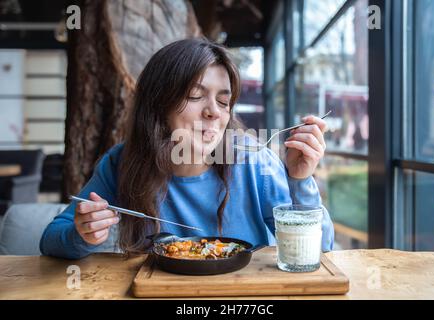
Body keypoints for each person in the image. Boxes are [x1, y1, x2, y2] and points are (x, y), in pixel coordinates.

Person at [40, 38, 334, 259]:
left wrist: (299, 180)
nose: (214, 113)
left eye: (223, 101)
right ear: (158, 104)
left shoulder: (254, 161)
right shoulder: (123, 161)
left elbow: (319, 250)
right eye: (195, 95)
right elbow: (51, 240)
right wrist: (82, 233)